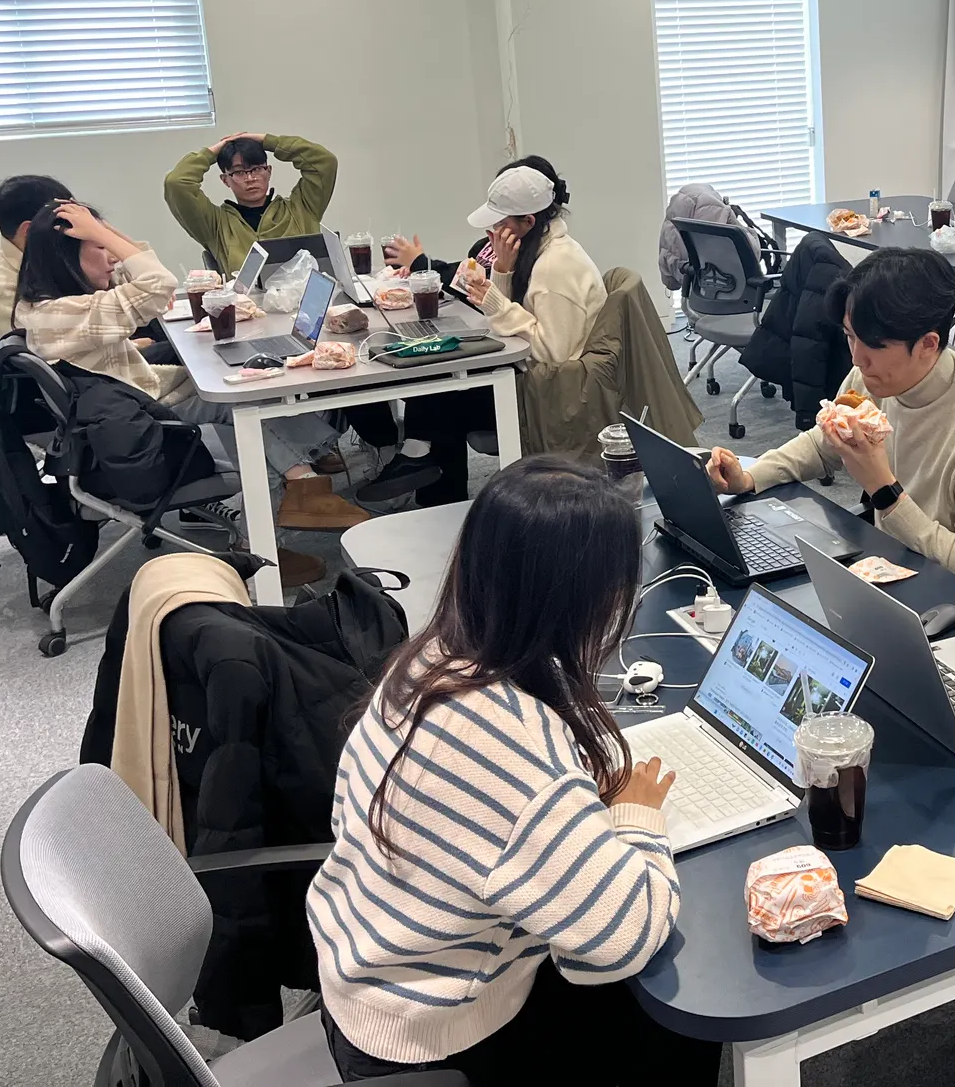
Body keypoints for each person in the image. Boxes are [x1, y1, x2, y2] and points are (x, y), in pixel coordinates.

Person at [306, 457, 715, 1086]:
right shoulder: (517, 750)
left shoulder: (429, 662)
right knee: (684, 1008)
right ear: (592, 600)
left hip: (364, 980)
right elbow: (624, 938)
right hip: (434, 1038)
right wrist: (636, 819)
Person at [12, 201, 363, 537]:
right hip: (142, 428)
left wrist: (100, 229)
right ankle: (299, 492)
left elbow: (139, 271)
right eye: (100, 248)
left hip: (136, 405)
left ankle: (299, 488)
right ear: (64, 256)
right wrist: (100, 231)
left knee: (240, 384)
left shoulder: (50, 305)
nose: (113, 257)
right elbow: (157, 283)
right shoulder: (62, 314)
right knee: (245, 409)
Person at [703, 248, 955, 591]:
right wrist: (750, 477)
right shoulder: (874, 378)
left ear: (928, 344)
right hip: (891, 563)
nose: (857, 358)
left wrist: (884, 490)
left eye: (874, 345)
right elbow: (823, 445)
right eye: (850, 336)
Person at [357, 158, 605, 505]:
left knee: (444, 390)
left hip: (550, 393)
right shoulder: (537, 250)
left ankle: (425, 472)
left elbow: (553, 354)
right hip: (530, 373)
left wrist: (495, 299)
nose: (491, 232)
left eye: (499, 224)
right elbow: (509, 324)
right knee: (440, 377)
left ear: (528, 221)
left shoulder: (556, 268)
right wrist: (502, 271)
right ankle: (423, 469)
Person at [163, 129, 339, 275]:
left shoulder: (302, 208)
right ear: (225, 180)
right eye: (239, 172)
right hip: (246, 306)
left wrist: (266, 141)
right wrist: (217, 150)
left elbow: (324, 161)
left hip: (305, 302)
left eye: (256, 169)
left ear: (268, 171)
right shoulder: (215, 225)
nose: (250, 178)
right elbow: (177, 183)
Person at [0, 173, 73, 340]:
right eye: (66, 220)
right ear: (29, 230)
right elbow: (73, 341)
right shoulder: (2, 293)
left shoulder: (27, 255)